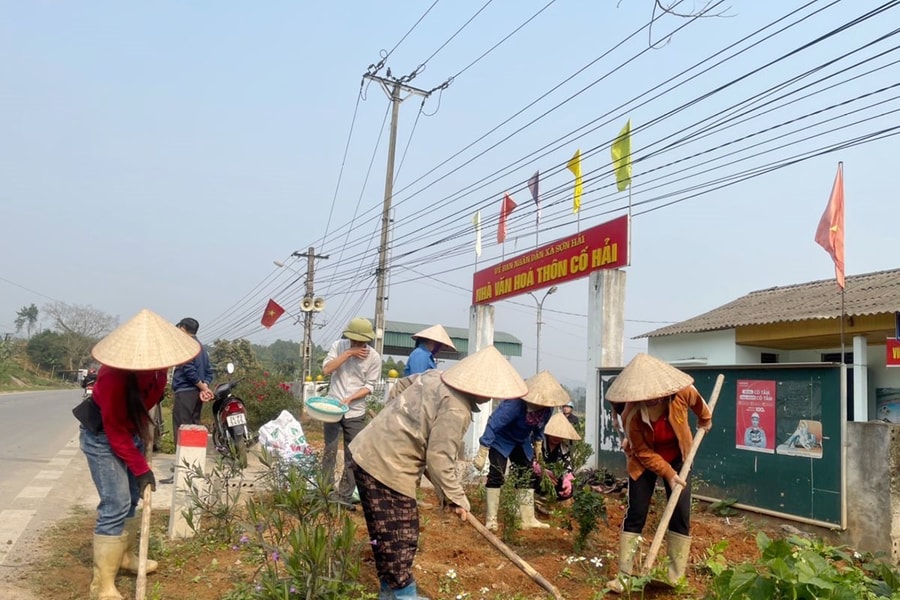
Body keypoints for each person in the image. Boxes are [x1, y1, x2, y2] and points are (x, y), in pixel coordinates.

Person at [349, 345, 527, 600]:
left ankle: (389, 592)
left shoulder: (434, 375)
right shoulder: (457, 408)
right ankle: (403, 594)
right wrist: (457, 498)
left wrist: (397, 420)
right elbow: (439, 458)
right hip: (386, 467)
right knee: (401, 536)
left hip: (367, 452)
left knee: (385, 535)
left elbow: (399, 387)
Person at [80, 309, 200, 600]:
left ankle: (124, 557)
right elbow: (115, 432)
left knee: (133, 497)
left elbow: (140, 411)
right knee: (116, 502)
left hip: (130, 431)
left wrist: (143, 446)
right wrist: (141, 468)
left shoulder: (159, 371)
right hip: (102, 436)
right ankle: (102, 585)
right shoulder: (113, 378)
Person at [603, 353, 712, 594]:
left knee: (681, 512)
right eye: (646, 396)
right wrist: (668, 473)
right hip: (644, 460)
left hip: (679, 455)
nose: (652, 400)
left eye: (656, 395)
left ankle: (675, 576)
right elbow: (642, 452)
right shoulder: (630, 415)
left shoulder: (682, 393)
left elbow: (701, 406)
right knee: (637, 511)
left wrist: (705, 421)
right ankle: (625, 575)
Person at [472, 370, 571, 531]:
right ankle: (491, 520)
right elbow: (494, 423)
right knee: (497, 474)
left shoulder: (547, 409)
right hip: (501, 439)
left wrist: (538, 446)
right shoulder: (514, 404)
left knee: (526, 474)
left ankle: (527, 518)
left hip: (521, 440)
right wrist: (484, 448)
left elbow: (540, 428)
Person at [321, 317, 381, 507]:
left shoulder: (374, 358)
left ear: (367, 341)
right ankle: (325, 490)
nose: (358, 345)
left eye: (361, 342)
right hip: (332, 408)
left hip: (355, 411)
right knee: (329, 449)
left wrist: (351, 398)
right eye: (354, 341)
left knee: (352, 455)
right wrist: (348, 354)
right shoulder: (339, 346)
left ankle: (345, 495)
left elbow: (370, 386)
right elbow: (326, 369)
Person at [161, 317, 214, 484]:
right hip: (196, 395)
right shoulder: (202, 348)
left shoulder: (186, 347)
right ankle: (193, 469)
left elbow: (189, 371)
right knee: (194, 428)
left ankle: (181, 472)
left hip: (186, 393)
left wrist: (201, 387)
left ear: (183, 328)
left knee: (182, 430)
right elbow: (209, 371)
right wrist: (204, 386)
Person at [533, 412, 581, 500]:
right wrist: (541, 471)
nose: (557, 437)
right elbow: (529, 461)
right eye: (554, 434)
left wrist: (568, 480)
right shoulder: (538, 443)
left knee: (571, 486)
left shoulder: (564, 448)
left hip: (554, 480)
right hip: (538, 479)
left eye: (560, 435)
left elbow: (567, 468)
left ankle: (556, 498)